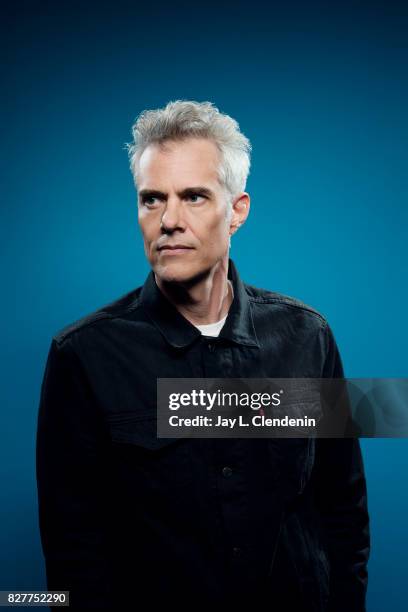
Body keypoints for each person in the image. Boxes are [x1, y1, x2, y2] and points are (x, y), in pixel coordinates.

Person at [36, 100, 370, 611]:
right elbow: (72, 549)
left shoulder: (308, 336)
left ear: (237, 210)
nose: (169, 220)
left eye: (193, 196)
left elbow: (342, 509)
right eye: (152, 200)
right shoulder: (82, 356)